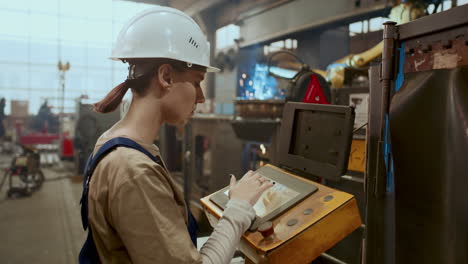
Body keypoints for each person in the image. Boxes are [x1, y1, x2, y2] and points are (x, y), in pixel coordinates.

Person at [80, 6, 273, 264]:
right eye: (196, 82)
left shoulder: (115, 142)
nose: (201, 97)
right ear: (166, 76)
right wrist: (238, 209)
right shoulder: (132, 169)